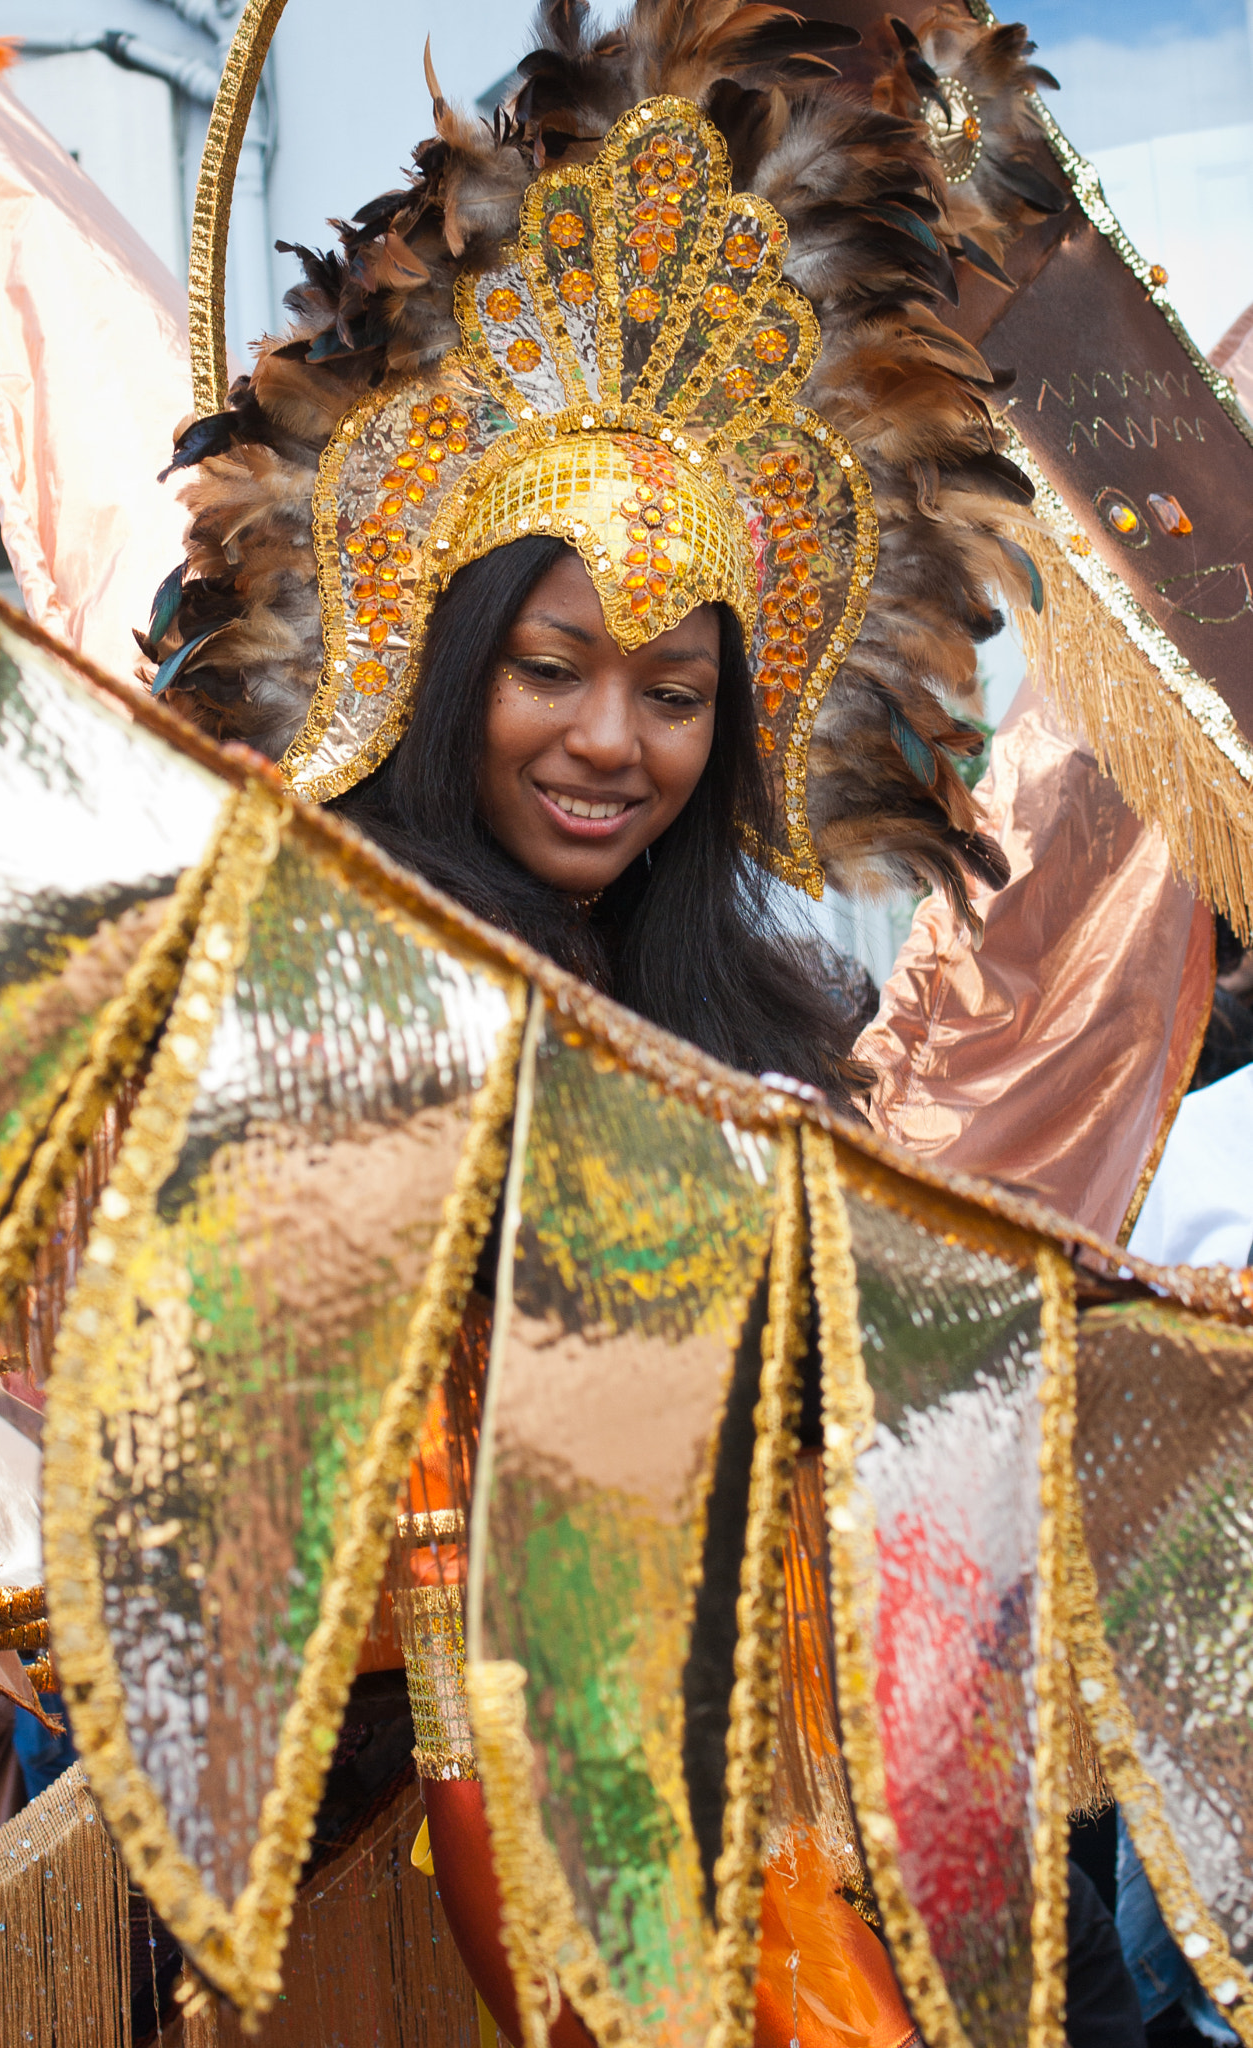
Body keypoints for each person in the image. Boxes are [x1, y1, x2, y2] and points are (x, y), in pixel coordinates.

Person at [140, 7, 1143, 2040]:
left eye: (673, 695)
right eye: (547, 668)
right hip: (452, 1876)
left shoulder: (748, 1015)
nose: (610, 743)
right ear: (444, 671)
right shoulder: (321, 998)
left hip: (783, 1824)